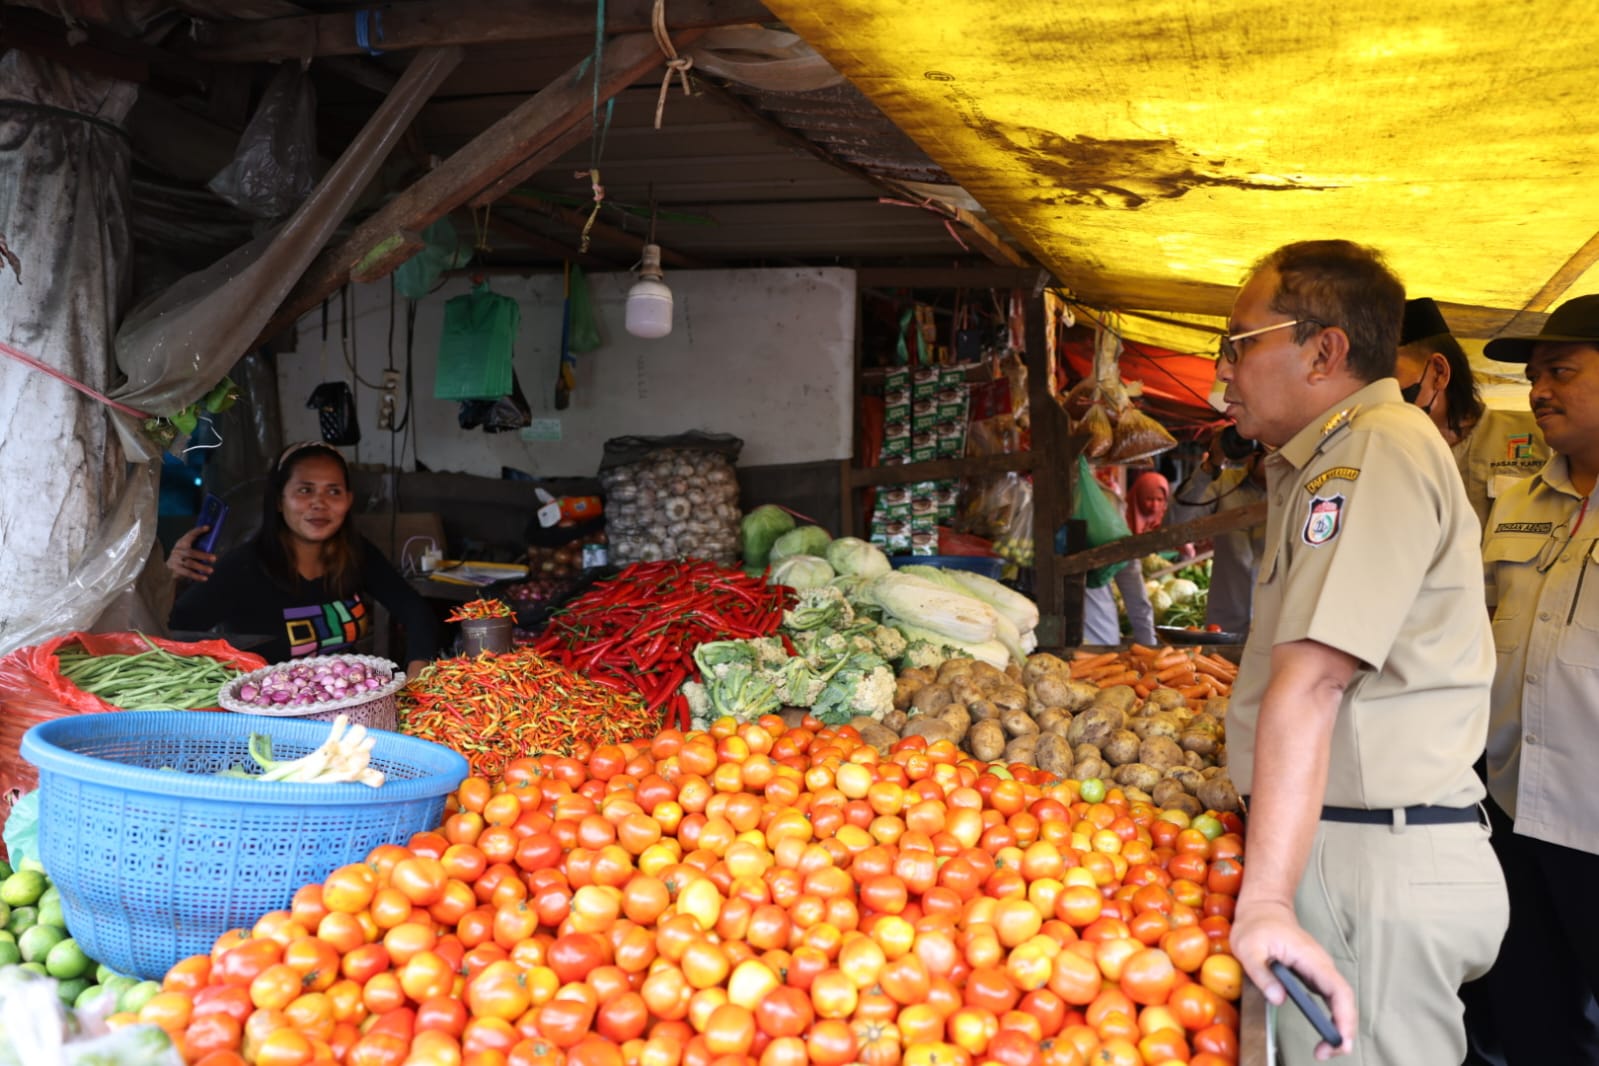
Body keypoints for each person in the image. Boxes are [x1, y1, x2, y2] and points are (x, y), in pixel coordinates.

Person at [1215, 240, 1506, 1064]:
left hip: (1370, 860)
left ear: (1323, 350)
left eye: (1238, 344)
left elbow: (1311, 684)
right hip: (1357, 848)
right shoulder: (1334, 457)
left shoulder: (1371, 448)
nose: (1223, 372)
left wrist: (1266, 896)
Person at [1473, 293, 1599, 1064]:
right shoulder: (1516, 502)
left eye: (1560, 372)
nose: (1538, 391)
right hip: (1511, 811)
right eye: (1532, 378)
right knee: (1529, 1020)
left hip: (1594, 820)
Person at [169, 441, 438, 674]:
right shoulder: (242, 568)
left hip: (350, 703)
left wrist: (417, 673)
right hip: (272, 716)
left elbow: (414, 609)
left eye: (333, 491)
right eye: (305, 490)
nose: (319, 503)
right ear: (278, 499)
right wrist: (168, 580)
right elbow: (172, 633)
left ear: (348, 500)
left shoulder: (354, 552)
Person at [1397, 297, 1548, 525]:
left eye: (1389, 377)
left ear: (1439, 372)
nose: (1381, 392)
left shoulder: (1538, 435)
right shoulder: (1388, 453)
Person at [1171, 428, 1267, 635]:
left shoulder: (1301, 490)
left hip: (1274, 626)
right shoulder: (1224, 482)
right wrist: (1210, 465)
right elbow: (1176, 525)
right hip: (1224, 624)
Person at [1081, 470, 1166, 647]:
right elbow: (1135, 593)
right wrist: (1148, 644)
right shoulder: (1106, 511)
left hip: (1093, 638)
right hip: (1098, 638)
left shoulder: (1041, 500)